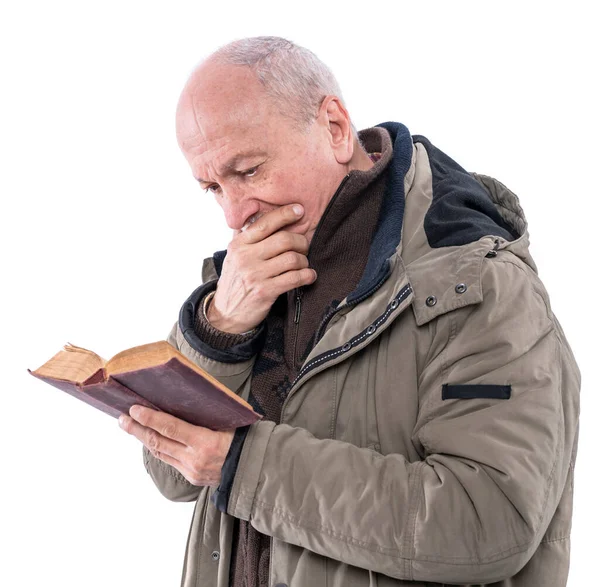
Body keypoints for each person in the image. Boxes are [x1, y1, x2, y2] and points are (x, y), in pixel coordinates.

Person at [118, 36, 581, 587]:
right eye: (213, 187)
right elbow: (170, 475)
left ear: (335, 129)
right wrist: (219, 328)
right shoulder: (247, 278)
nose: (234, 214)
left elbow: (489, 519)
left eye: (248, 171)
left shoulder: (475, 287)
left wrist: (243, 465)